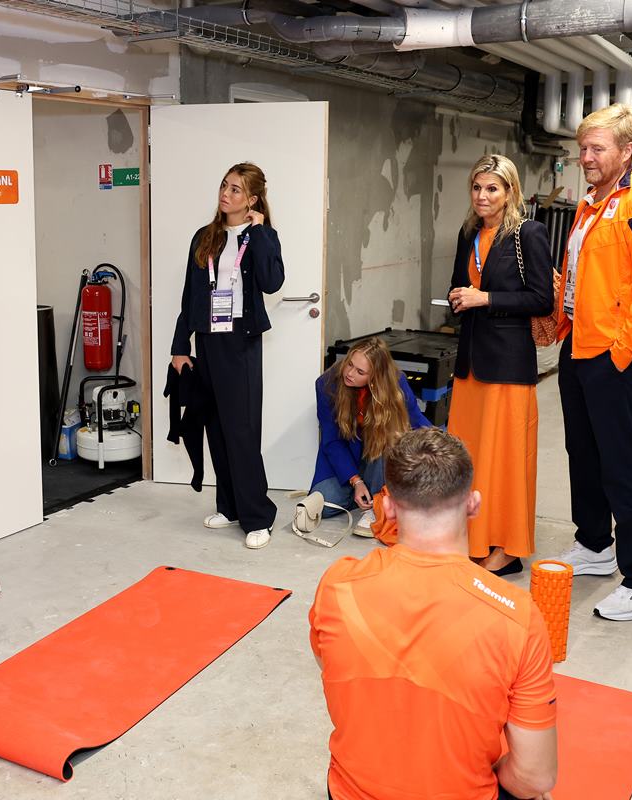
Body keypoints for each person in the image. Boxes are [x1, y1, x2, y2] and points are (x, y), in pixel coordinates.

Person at [310, 428, 558, 800]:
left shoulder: (336, 585)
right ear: (473, 504)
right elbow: (534, 777)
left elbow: (331, 664)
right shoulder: (517, 616)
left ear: (388, 506)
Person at [550, 104, 632, 622]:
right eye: (583, 148)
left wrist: (621, 354)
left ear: (628, 151)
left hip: (612, 354)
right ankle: (595, 545)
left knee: (623, 465)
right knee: (584, 453)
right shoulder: (591, 203)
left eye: (597, 149)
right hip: (579, 344)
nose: (586, 158)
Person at [447, 155, 554, 576]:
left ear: (510, 192)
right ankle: (472, 539)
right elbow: (462, 284)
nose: (482, 196)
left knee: (506, 459)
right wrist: (459, 296)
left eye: (492, 188)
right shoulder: (468, 232)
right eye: (477, 187)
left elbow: (541, 299)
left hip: (508, 365)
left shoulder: (529, 234)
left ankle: (508, 548)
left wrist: (485, 298)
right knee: (469, 459)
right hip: (472, 361)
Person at [170, 163, 285, 549]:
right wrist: (179, 347)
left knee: (242, 431)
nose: (226, 194)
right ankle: (230, 506)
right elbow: (190, 296)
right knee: (216, 427)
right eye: (224, 186)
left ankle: (258, 516)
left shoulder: (261, 237)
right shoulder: (204, 237)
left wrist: (262, 230)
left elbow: (272, 283)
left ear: (252, 200)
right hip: (208, 340)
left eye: (236, 190)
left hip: (241, 340)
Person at [310, 337, 431, 533]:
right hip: (345, 458)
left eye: (360, 372)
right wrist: (355, 480)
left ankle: (376, 505)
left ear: (375, 376)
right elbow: (331, 441)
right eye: (350, 364)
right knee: (323, 506)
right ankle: (366, 492)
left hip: (379, 455)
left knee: (387, 435)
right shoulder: (326, 384)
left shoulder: (395, 382)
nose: (349, 373)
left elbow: (416, 421)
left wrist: (441, 449)